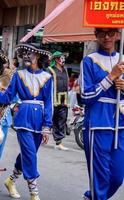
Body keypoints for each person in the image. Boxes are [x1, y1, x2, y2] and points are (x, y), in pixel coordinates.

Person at [0, 43, 53, 200]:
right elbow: (6, 98)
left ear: (38, 56)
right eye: (24, 53)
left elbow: (49, 103)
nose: (26, 56)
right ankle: (34, 193)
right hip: (23, 120)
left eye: (30, 53)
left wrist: (47, 126)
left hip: (39, 122)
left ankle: (11, 181)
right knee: (31, 155)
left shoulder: (47, 77)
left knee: (27, 154)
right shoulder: (18, 75)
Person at [80, 28, 124, 200]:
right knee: (100, 179)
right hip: (97, 124)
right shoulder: (89, 61)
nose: (107, 37)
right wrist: (111, 77)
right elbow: (85, 96)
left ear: (118, 35)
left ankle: (91, 197)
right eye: (102, 33)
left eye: (111, 32)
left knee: (117, 177)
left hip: (120, 124)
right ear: (96, 35)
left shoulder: (123, 60)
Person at [48, 51, 69, 150]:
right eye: (61, 58)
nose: (63, 59)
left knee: (62, 119)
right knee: (51, 118)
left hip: (64, 98)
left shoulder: (65, 70)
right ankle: (41, 134)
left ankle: (58, 142)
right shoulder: (50, 70)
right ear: (56, 59)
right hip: (53, 98)